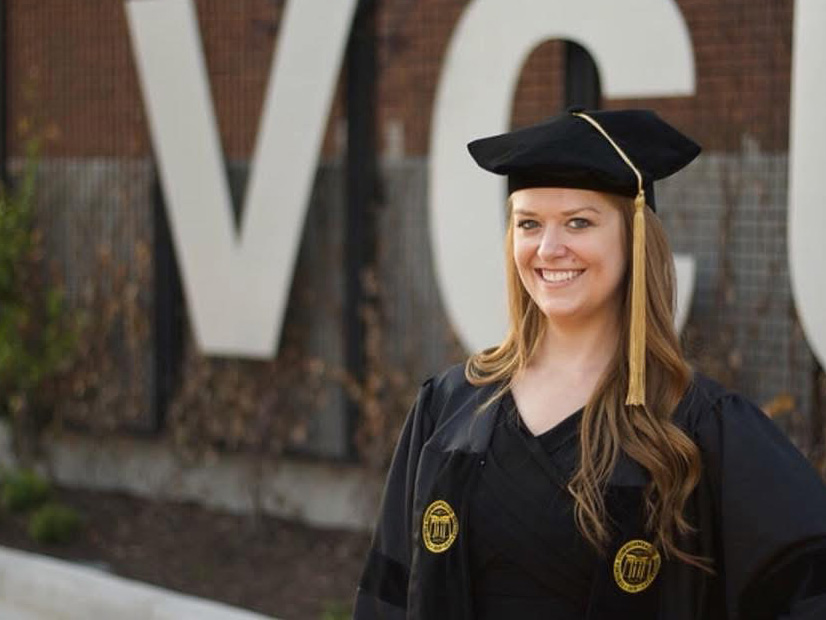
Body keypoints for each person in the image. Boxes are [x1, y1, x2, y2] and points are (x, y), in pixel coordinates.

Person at [353, 108, 826, 619]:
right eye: (529, 223)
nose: (549, 248)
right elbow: (389, 597)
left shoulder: (697, 426)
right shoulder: (450, 407)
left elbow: (805, 585)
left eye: (578, 222)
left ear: (634, 238)